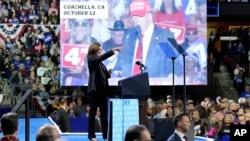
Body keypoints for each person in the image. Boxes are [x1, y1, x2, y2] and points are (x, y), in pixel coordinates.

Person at [116, 0, 176, 79]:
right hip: (129, 86)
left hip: (154, 87)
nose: (136, 19)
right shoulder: (129, 36)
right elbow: (121, 62)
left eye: (139, 15)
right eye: (134, 16)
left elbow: (174, 62)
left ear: (150, 16)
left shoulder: (163, 37)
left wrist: (172, 74)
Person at [87, 42, 122, 141]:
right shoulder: (91, 58)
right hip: (95, 91)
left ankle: (106, 134)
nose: (100, 52)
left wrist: (108, 73)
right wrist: (113, 50)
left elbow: (102, 75)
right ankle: (91, 135)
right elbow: (100, 58)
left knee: (104, 114)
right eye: (99, 50)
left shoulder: (99, 63)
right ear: (94, 49)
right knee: (92, 113)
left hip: (103, 92)